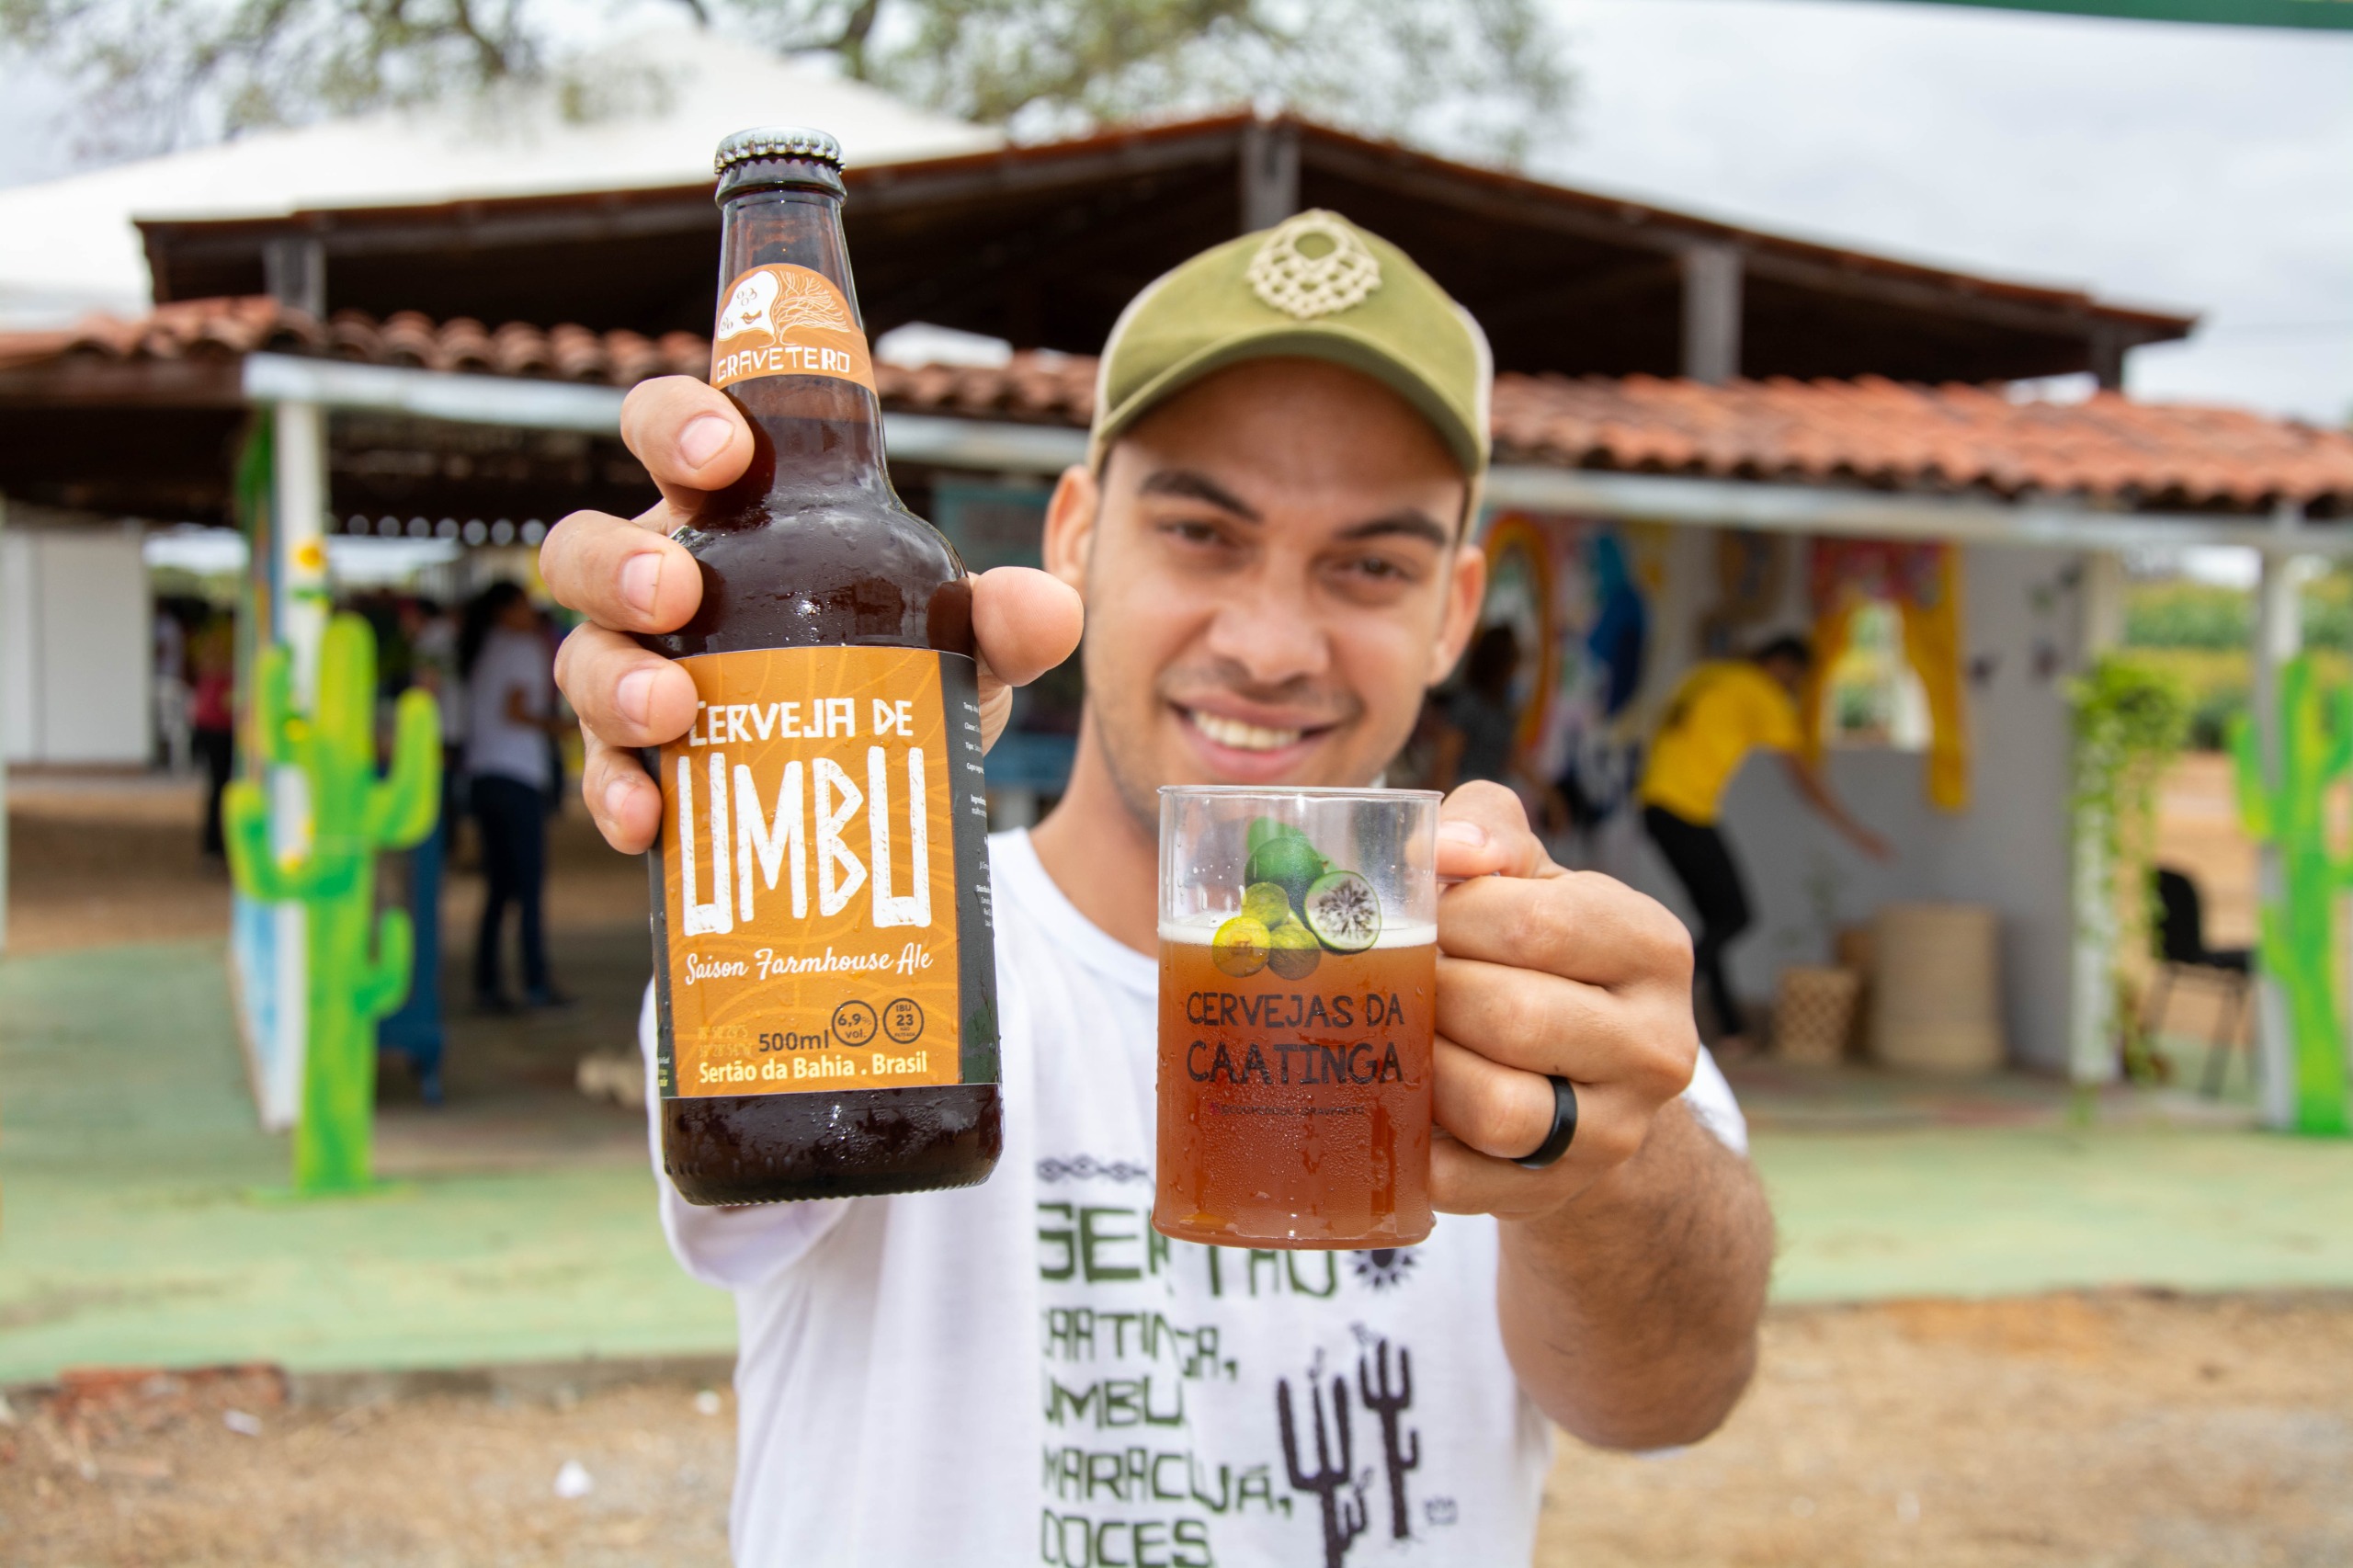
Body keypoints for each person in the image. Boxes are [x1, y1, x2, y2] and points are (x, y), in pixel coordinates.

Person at [543, 211, 1772, 1565]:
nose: (1267, 643)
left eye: (1371, 563)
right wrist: (757, 651)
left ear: (1455, 609)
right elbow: (754, 1137)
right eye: (1201, 530)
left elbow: (1672, 1396)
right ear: (1077, 533)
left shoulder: (1533, 992)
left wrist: (1601, 1165)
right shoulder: (894, 944)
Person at [1639, 634, 1891, 1052]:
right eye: (1797, 678)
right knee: (1735, 916)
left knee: (1716, 920)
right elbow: (1803, 776)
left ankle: (1732, 1030)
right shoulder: (1761, 692)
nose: (1794, 687)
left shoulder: (1710, 673)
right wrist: (1854, 830)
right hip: (1685, 810)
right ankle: (1656, 994)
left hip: (1655, 804)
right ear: (1782, 664)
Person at [460, 581, 568, 1011]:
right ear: (505, 610)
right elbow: (517, 710)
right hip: (517, 777)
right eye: (524, 604)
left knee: (499, 890)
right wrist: (567, 727)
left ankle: (487, 985)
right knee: (528, 886)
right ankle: (536, 984)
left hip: (484, 778)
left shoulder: (480, 649)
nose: (531, 612)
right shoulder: (522, 648)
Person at [1431, 620, 1521, 791]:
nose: (1516, 668)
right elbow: (1446, 758)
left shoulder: (1503, 707)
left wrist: (1550, 796)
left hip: (1493, 794)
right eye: (1513, 659)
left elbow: (1513, 757)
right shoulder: (1469, 703)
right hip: (1464, 794)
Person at [188, 616, 235, 860]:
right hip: (221, 730)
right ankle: (219, 845)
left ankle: (213, 846)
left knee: (217, 788)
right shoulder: (229, 665)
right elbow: (228, 703)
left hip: (207, 726)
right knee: (223, 789)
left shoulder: (209, 654)